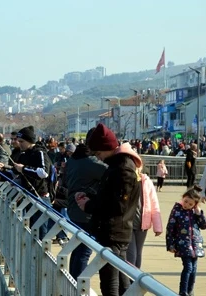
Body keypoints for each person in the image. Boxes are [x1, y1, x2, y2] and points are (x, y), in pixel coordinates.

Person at [76, 123, 142, 296]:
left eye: (98, 153)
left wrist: (88, 205)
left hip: (114, 232)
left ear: (107, 148)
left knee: (111, 282)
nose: (98, 158)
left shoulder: (122, 169)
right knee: (118, 278)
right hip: (115, 230)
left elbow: (117, 206)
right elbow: (111, 198)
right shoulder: (119, 166)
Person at [65, 135, 107, 280]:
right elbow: (112, 174)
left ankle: (72, 281)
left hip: (72, 208)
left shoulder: (73, 159)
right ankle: (78, 285)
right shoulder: (91, 162)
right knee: (84, 251)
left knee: (77, 249)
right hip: (85, 211)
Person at [12, 125, 53, 240]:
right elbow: (16, 171)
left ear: (30, 141)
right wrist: (1, 172)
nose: (19, 144)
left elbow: (44, 172)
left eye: (21, 141)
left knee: (41, 235)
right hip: (29, 198)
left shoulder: (40, 153)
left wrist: (23, 169)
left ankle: (41, 257)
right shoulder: (24, 154)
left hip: (41, 198)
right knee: (31, 233)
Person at [166, 186, 206, 296]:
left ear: (195, 205)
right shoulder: (177, 210)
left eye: (190, 204)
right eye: (186, 202)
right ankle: (183, 291)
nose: (187, 205)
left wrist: (199, 214)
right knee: (188, 267)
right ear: (183, 197)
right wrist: (170, 244)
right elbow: (170, 228)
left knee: (194, 269)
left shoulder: (195, 213)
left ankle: (190, 290)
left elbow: (204, 226)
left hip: (195, 244)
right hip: (183, 244)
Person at [126, 171, 163, 269]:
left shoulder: (146, 181)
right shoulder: (126, 179)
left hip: (143, 224)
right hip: (128, 224)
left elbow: (154, 203)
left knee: (138, 253)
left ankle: (135, 279)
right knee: (131, 255)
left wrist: (157, 226)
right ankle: (129, 279)